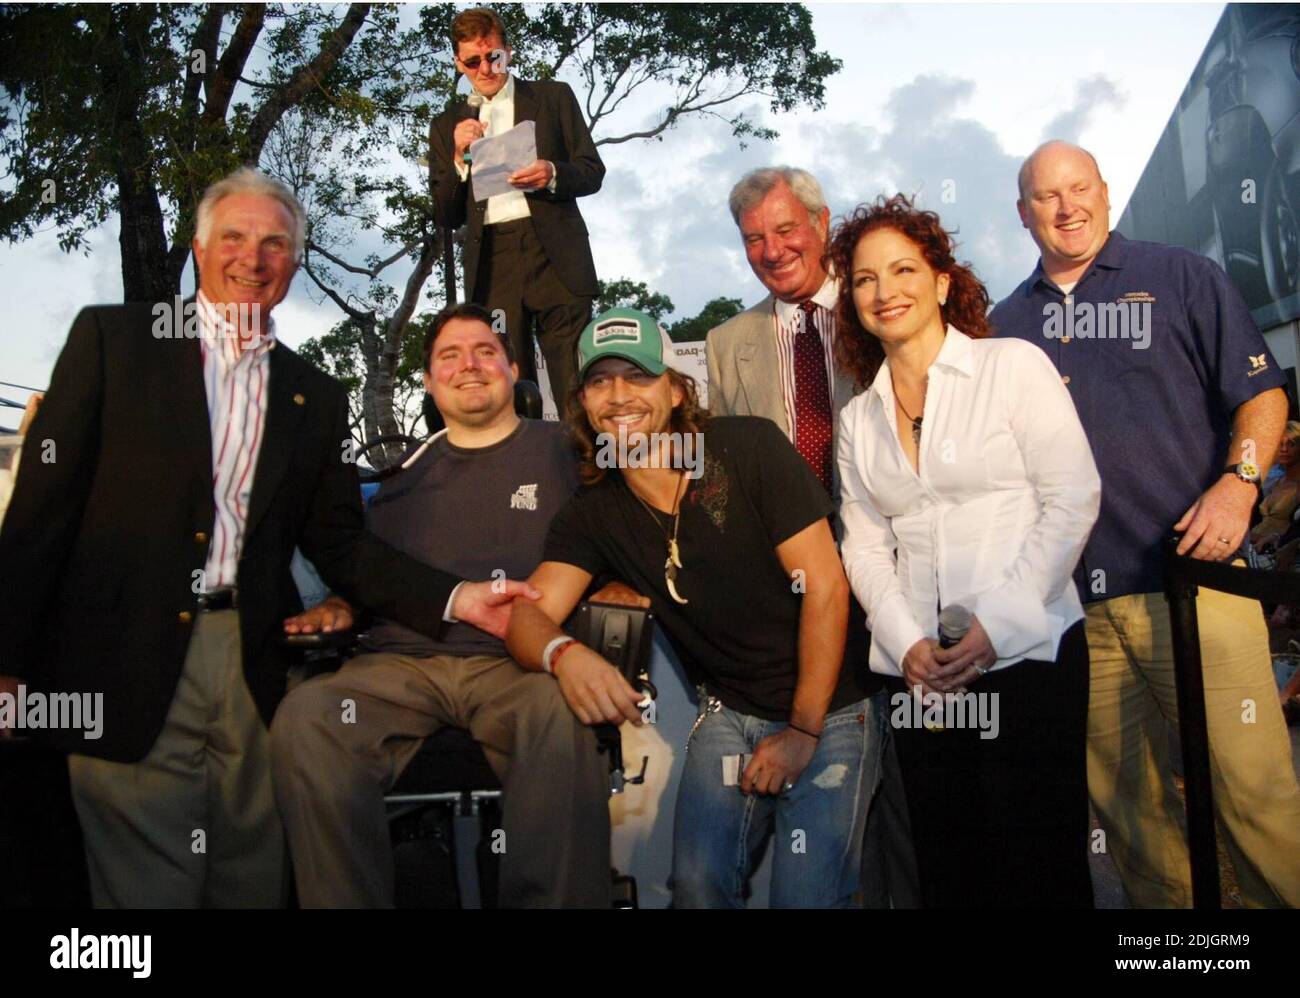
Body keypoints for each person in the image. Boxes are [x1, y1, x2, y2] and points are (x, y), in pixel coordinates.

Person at [0, 169, 531, 908]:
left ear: (294, 261)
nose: (253, 258)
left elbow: (342, 543)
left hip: (253, 661)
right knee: (146, 885)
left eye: (275, 243)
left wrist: (461, 598)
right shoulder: (112, 342)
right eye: (235, 238)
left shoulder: (315, 394)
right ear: (199, 247)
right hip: (119, 658)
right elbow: (39, 513)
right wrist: (9, 662)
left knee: (252, 872)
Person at [990, 139, 1300, 908]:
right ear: (1023, 214)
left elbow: (1262, 397)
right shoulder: (1001, 328)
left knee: (1253, 794)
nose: (1067, 208)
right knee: (1131, 815)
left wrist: (1240, 484)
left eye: (1080, 188)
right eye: (1046, 197)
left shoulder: (1182, 276)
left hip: (1195, 587)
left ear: (1103, 189)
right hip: (1073, 615)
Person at [506, 307, 873, 908]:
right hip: (732, 710)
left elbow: (827, 588)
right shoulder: (593, 512)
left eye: (639, 377)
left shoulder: (746, 446)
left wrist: (803, 730)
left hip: (833, 707)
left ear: (677, 391)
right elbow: (525, 613)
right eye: (600, 381)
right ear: (582, 404)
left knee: (806, 898)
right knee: (697, 890)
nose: (619, 396)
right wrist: (564, 654)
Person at [269, 303, 613, 907]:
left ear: (512, 369)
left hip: (520, 664)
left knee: (562, 719)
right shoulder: (399, 478)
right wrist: (344, 602)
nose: (468, 366)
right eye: (448, 357)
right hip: (401, 666)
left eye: (484, 352)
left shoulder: (569, 454)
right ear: (429, 384)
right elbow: (372, 571)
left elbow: (623, 530)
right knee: (308, 718)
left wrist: (623, 584)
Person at [833, 194, 1101, 907]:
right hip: (921, 676)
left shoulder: (1012, 366)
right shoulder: (858, 418)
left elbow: (1072, 498)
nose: (885, 291)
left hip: (1027, 657)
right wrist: (905, 643)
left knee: (1040, 864)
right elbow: (861, 544)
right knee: (951, 865)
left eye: (902, 270)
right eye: (864, 278)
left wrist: (996, 626)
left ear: (943, 281)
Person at [706, 166, 912, 907]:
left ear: (823, 225)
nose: (772, 249)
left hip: (900, 576)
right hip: (798, 594)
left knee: (910, 793)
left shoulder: (877, 310)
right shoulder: (729, 342)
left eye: (786, 229)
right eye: (754, 238)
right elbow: (723, 481)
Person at [430, 6, 604, 407]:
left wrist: (552, 172)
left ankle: (590, 469)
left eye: (494, 56)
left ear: (509, 50)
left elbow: (591, 170)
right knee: (512, 386)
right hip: (493, 259)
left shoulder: (552, 97)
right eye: (472, 61)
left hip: (555, 253)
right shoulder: (446, 126)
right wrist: (458, 159)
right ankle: (526, 470)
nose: (485, 68)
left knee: (575, 384)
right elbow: (445, 214)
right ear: (459, 63)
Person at [1251, 420, 1300, 550]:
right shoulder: (1273, 480)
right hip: (1253, 547)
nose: (1284, 449)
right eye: (1280, 444)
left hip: (1276, 552)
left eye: (1291, 444)